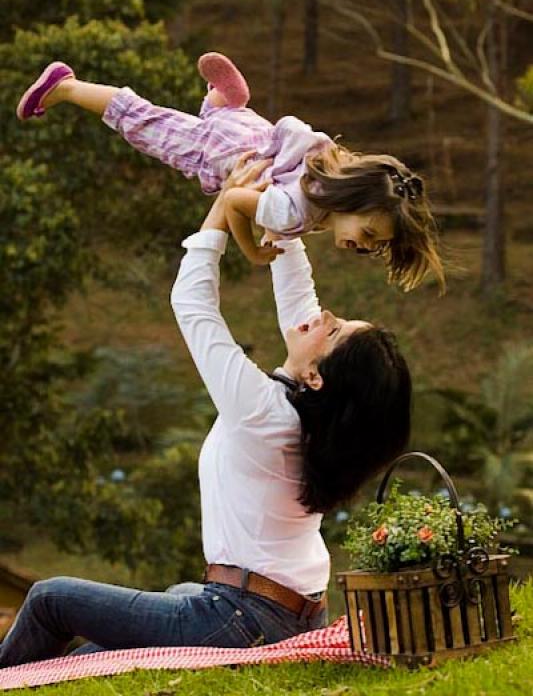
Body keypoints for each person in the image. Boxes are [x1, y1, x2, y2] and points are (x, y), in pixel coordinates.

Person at [0, 161, 412, 667]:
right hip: (284, 610)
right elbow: (298, 298)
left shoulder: (264, 412)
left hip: (241, 616)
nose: (323, 316)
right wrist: (281, 209)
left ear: (317, 376)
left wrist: (221, 210)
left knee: (51, 599)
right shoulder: (313, 416)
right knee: (96, 648)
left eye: (334, 329)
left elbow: (192, 304)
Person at [17, 53, 444, 292]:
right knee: (143, 121)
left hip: (249, 131)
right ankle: (65, 86)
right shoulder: (295, 213)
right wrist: (253, 251)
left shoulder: (329, 167)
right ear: (353, 199)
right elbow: (236, 200)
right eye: (367, 234)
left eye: (371, 247)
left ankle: (225, 100)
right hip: (215, 153)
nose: (359, 245)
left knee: (209, 118)